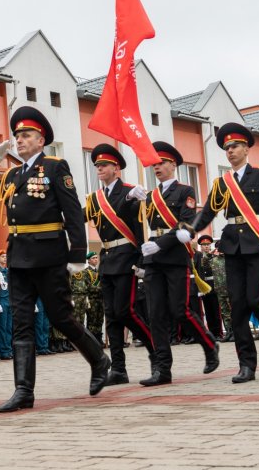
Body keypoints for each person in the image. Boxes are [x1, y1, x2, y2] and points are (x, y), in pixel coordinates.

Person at [0, 105, 110, 412]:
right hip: (19, 256)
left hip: (49, 254)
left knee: (61, 317)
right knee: (22, 322)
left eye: (26, 135)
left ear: (41, 140)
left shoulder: (55, 167)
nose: (19, 140)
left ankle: (99, 359)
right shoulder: (12, 174)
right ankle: (23, 390)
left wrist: (77, 253)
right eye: (17, 135)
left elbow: (73, 212)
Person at [193, 123, 259, 383]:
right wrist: (189, 228)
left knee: (254, 300)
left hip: (256, 243)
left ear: (246, 148)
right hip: (232, 246)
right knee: (237, 305)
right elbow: (208, 213)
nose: (230, 151)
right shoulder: (222, 183)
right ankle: (246, 365)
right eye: (226, 148)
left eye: (234, 146)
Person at [137, 141, 219, 387]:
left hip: (174, 256)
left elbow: (186, 223)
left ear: (173, 164)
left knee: (179, 309)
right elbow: (142, 226)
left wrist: (161, 243)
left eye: (161, 163)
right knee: (156, 314)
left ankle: (209, 344)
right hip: (153, 259)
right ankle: (163, 370)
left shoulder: (185, 191)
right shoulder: (150, 196)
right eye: (154, 164)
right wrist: (131, 198)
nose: (157, 167)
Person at [83, 143, 154, 385]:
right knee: (111, 316)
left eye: (103, 165)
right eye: (97, 166)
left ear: (116, 168)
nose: (99, 169)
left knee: (126, 312)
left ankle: (157, 354)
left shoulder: (131, 191)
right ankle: (119, 369)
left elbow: (139, 229)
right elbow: (80, 216)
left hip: (126, 258)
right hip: (107, 259)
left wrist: (143, 260)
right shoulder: (96, 198)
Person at [85, 253, 104, 346]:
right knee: (92, 321)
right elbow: (88, 286)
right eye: (93, 258)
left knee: (99, 320)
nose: (96, 259)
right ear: (88, 260)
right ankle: (92, 342)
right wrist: (101, 288)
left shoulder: (99, 272)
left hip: (100, 299)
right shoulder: (86, 272)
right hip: (92, 300)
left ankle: (99, 339)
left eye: (96, 258)